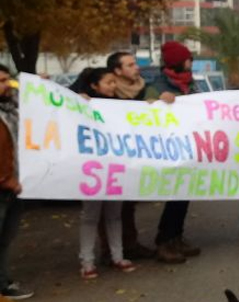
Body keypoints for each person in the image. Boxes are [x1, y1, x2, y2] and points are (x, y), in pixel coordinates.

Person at [72, 68, 137, 278]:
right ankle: (87, 261)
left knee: (114, 215)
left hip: (115, 168)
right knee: (90, 216)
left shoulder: (120, 106)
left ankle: (117, 256)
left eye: (114, 82)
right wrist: (76, 100)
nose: (113, 86)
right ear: (94, 85)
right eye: (109, 82)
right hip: (92, 170)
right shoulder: (81, 105)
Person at [145, 41, 202, 264]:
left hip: (188, 146)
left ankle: (176, 236)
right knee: (174, 195)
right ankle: (165, 241)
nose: (191, 63)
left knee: (184, 194)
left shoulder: (190, 84)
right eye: (188, 59)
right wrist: (158, 102)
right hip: (168, 148)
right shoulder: (158, 85)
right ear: (178, 62)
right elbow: (145, 111)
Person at [102, 51, 155, 260]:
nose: (136, 68)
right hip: (110, 158)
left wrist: (158, 102)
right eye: (130, 65)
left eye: (135, 64)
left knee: (128, 204)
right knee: (106, 209)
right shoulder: (104, 91)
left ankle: (129, 244)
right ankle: (110, 250)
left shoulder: (143, 90)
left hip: (133, 156)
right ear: (117, 71)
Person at [0, 64, 33, 300]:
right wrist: (5, 179)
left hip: (17, 184)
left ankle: (2, 281)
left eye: (8, 80)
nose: (7, 85)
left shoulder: (13, 108)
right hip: (5, 184)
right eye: (1, 81)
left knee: (6, 237)